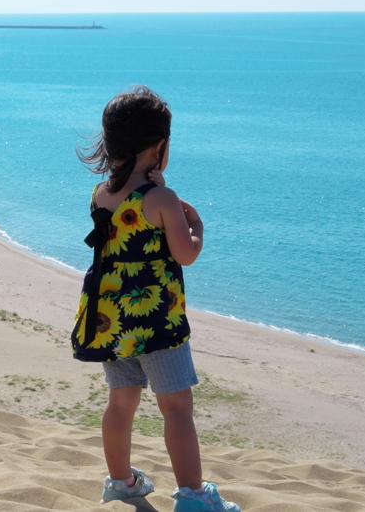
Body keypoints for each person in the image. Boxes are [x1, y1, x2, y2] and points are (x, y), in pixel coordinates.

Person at [71, 86, 239, 512]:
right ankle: (194, 496)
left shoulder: (100, 194)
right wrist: (196, 223)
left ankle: (122, 482)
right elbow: (186, 253)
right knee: (177, 407)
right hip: (157, 322)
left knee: (120, 403)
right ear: (159, 145)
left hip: (110, 316)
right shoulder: (162, 198)